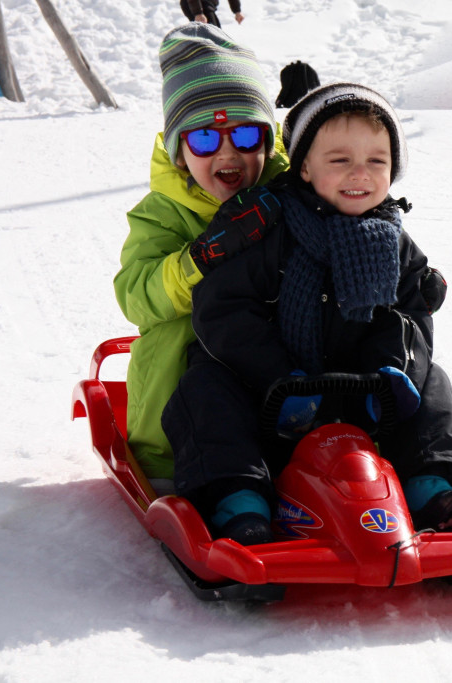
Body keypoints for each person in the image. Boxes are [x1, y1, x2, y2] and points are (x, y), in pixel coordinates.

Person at [161, 83, 452, 545]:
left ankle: (432, 484)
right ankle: (239, 497)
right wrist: (279, 377)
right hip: (268, 396)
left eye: (376, 161)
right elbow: (222, 311)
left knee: (433, 383)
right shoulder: (269, 228)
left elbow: (410, 323)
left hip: (360, 398)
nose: (359, 174)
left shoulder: (393, 243)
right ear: (304, 167)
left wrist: (388, 375)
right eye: (340, 160)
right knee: (204, 387)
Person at [114, 23, 288, 493]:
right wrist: (200, 259)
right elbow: (136, 295)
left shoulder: (286, 195)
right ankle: (191, 468)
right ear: (179, 154)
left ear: (269, 143)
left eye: (247, 135)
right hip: (187, 398)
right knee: (178, 334)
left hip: (272, 377)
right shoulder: (162, 214)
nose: (228, 153)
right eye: (206, 141)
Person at [180, 0, 244, 27]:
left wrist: (237, 11)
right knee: (212, 36)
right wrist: (198, 13)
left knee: (217, 34)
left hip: (207, 6)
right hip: (196, 5)